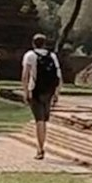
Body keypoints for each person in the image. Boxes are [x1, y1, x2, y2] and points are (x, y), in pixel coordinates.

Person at [21, 32, 62, 160]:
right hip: (49, 91)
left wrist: (25, 92)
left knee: (39, 120)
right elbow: (59, 77)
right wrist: (57, 93)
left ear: (33, 43)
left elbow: (25, 75)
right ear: (44, 44)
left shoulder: (30, 55)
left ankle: (40, 148)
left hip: (36, 90)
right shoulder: (52, 56)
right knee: (44, 120)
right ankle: (41, 145)